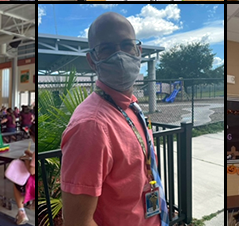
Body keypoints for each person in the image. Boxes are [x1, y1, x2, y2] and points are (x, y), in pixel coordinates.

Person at [61, 12, 168, 226]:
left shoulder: (131, 107)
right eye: (107, 49)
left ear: (138, 51)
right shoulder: (91, 126)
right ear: (92, 60)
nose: (119, 56)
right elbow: (77, 222)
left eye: (127, 45)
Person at [12, 123, 36, 225]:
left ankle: (21, 212)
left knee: (16, 182)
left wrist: (27, 160)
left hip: (35, 182)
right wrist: (30, 154)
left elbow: (32, 171)